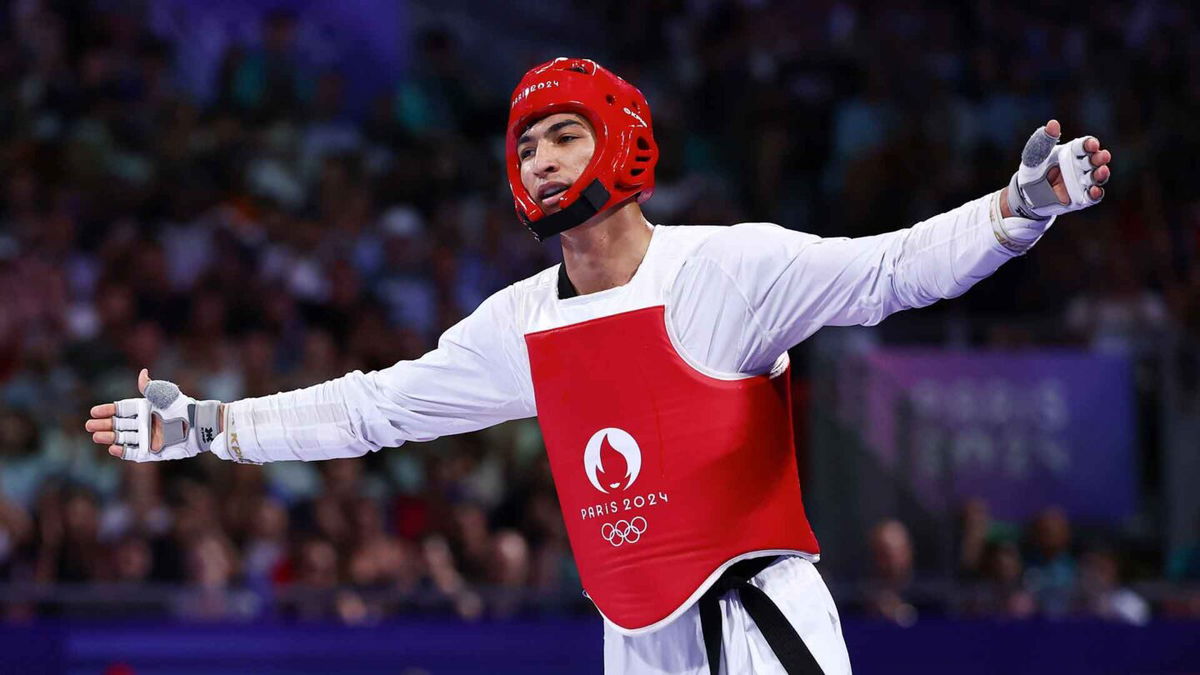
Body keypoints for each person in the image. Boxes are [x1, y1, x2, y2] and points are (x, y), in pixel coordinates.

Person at [85, 58, 1113, 674]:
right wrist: (209, 427)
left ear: (620, 143)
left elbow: (893, 271)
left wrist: (1016, 212)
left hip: (754, 619)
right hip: (633, 638)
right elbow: (371, 411)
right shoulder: (518, 326)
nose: (539, 159)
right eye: (525, 146)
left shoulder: (728, 268)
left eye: (563, 135)